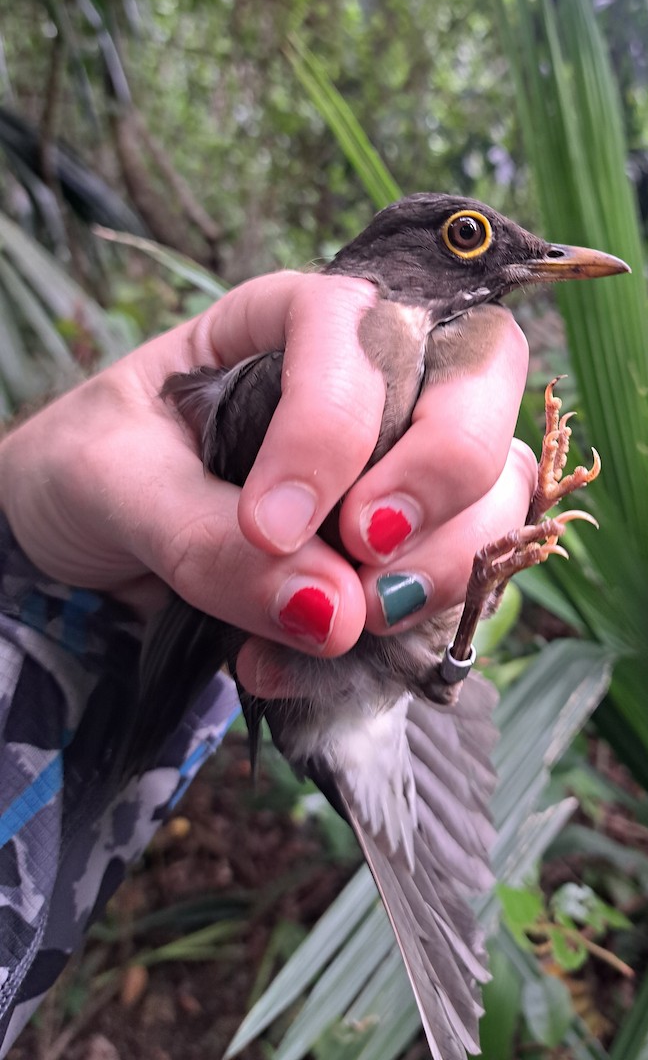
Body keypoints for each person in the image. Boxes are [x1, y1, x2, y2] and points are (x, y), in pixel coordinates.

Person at [0, 270, 535, 1053]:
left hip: (278, 663)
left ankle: (443, 652)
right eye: (464, 241)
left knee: (403, 635)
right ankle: (442, 654)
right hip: (314, 682)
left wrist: (30, 541)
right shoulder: (288, 375)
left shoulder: (393, 354)